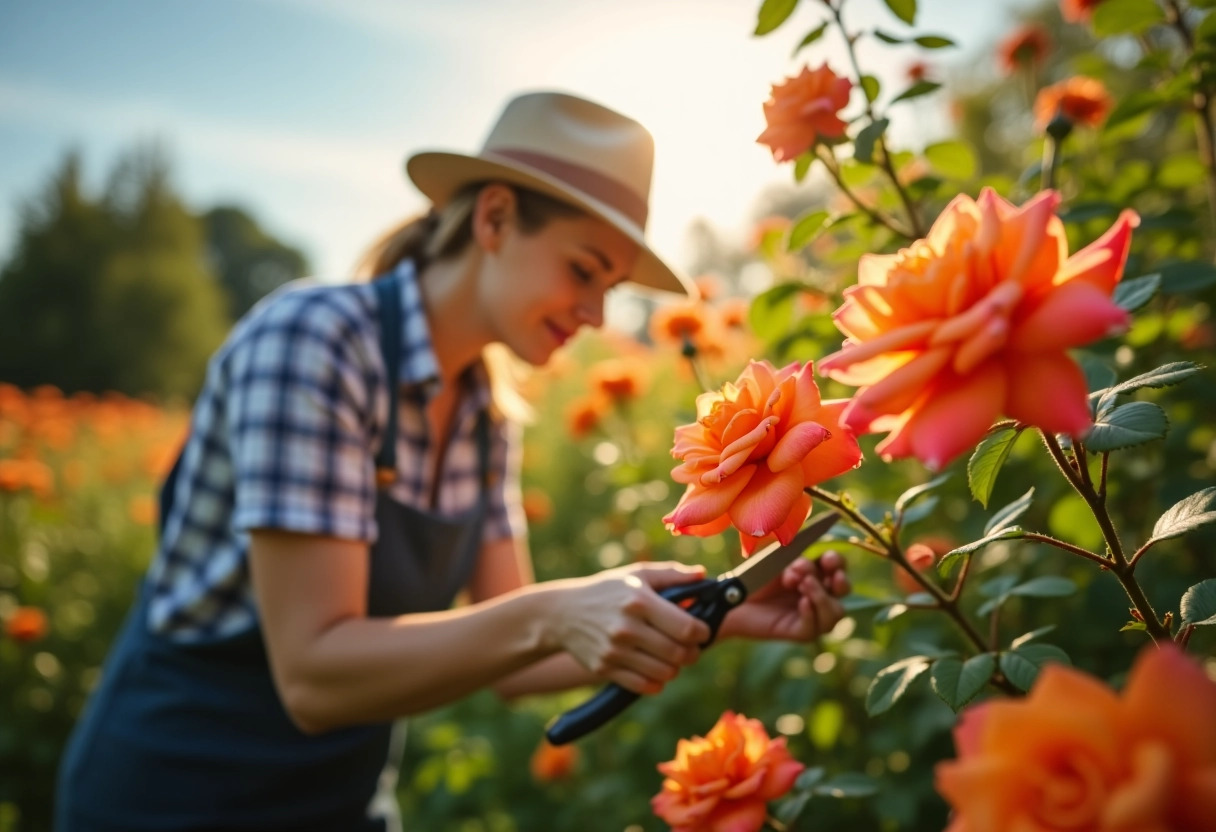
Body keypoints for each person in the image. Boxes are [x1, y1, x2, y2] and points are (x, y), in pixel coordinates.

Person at [55, 90, 851, 831]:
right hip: (173, 794)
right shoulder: (315, 343)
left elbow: (512, 661)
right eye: (583, 269)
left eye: (609, 285)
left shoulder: (486, 413)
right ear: (495, 219)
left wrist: (729, 611)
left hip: (338, 802)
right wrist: (556, 610)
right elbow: (314, 675)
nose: (596, 311)